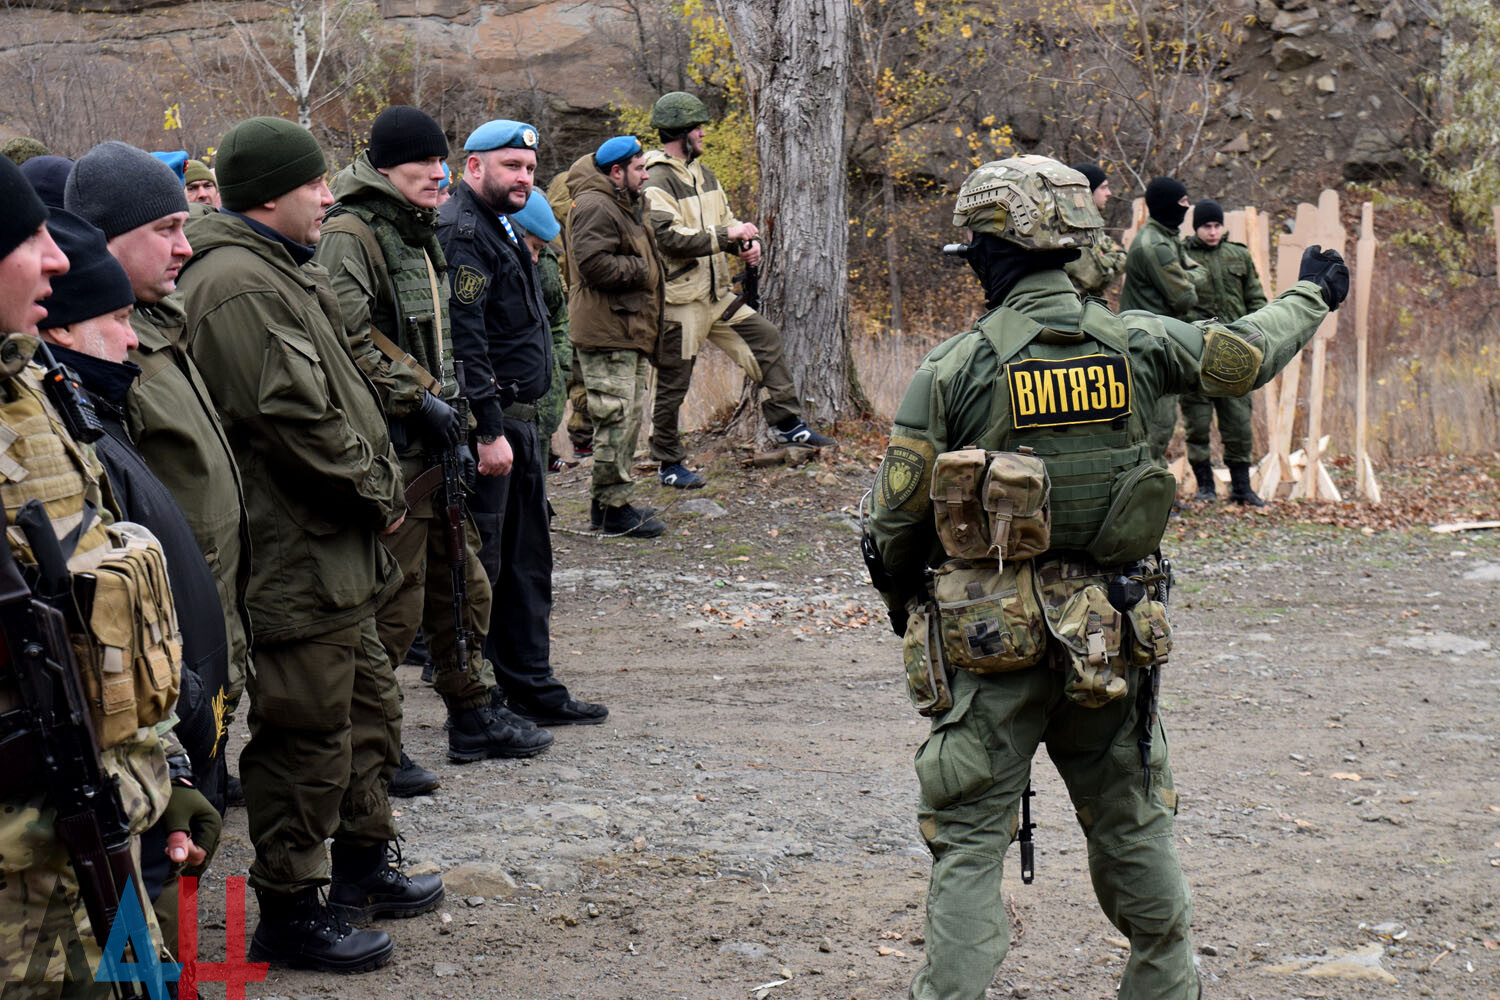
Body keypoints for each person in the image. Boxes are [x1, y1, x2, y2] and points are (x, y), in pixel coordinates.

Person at [864, 155, 1348, 1000]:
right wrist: (1312, 292)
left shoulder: (952, 370)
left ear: (990, 254)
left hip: (991, 652)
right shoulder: (1138, 343)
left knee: (969, 847)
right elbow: (1242, 357)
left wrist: (912, 606)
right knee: (1134, 829)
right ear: (1073, 245)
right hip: (1112, 644)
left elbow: (894, 529)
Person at [176, 116, 443, 972]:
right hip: (296, 553)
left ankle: (361, 866)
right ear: (268, 195)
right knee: (305, 732)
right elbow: (294, 418)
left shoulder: (278, 269)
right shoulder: (238, 285)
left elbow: (340, 382)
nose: (329, 197)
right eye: (314, 185)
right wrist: (380, 492)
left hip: (335, 546)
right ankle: (291, 908)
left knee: (368, 709)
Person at [0, 153, 194, 994]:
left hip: (88, 833)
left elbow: (92, 621)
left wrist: (165, 773)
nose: (53, 257)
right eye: (29, 237)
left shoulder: (29, 392)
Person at [317, 105, 551, 771]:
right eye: (426, 163)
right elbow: (348, 335)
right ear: (389, 166)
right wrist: (415, 398)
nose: (438, 174)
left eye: (442, 163)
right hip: (394, 447)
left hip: (438, 445)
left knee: (462, 584)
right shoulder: (352, 233)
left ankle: (473, 715)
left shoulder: (418, 233)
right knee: (396, 604)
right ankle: (370, 751)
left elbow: (450, 339)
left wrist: (460, 417)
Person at [35, 209, 225, 954]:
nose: (132, 336)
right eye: (115, 318)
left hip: (178, 726)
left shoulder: (91, 414)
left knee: (182, 921)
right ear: (61, 333)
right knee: (146, 938)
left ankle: (207, 969)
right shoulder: (74, 430)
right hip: (133, 752)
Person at [65, 141, 253, 804]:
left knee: (199, 818)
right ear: (106, 241)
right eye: (165, 230)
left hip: (205, 637)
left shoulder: (160, 326)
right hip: (160, 665)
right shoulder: (96, 350)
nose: (185, 245)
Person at [439, 119, 609, 728]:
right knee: (485, 571)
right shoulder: (462, 231)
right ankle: (481, 703)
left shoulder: (504, 225)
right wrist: (487, 431)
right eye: (511, 166)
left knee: (528, 563)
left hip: (523, 425)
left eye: (530, 169)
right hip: (495, 428)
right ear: (474, 166)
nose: (524, 177)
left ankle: (531, 684)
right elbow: (467, 342)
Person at [642, 91, 835, 489]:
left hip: (716, 296)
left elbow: (726, 220)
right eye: (697, 128)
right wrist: (724, 235)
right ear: (680, 132)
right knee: (672, 385)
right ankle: (667, 464)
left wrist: (742, 241)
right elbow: (667, 238)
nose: (702, 134)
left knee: (764, 338)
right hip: (680, 303)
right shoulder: (655, 179)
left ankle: (787, 424)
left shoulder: (705, 175)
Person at [565, 135, 668, 537]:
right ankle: (609, 510)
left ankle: (614, 502)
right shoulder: (595, 204)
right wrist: (642, 269)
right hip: (607, 331)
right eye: (640, 168)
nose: (645, 175)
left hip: (625, 327)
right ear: (616, 171)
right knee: (615, 418)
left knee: (624, 418)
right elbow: (593, 263)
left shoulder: (622, 201)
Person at [1181, 199, 1269, 505]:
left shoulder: (1238, 255)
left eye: (1217, 226)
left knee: (1238, 423)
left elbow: (1256, 299)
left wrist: (1258, 339)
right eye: (1207, 226)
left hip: (1235, 353)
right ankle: (1205, 486)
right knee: (1197, 423)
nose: (1213, 231)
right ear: (1197, 228)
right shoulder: (1182, 256)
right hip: (1196, 354)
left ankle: (1242, 488)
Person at [1119, 176, 1204, 462]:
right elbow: (1185, 298)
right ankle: (1149, 498)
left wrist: (1187, 278)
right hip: (1149, 349)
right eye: (1182, 202)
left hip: (1159, 343)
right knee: (1156, 428)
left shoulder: (1166, 238)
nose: (1187, 206)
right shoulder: (1155, 245)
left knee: (1162, 426)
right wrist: (1191, 279)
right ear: (1168, 204)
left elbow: (1193, 278)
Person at [509, 189, 572, 472]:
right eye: (533, 247)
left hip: (544, 404)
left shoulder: (543, 260)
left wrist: (560, 368)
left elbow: (557, 317)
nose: (536, 257)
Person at [1063, 162, 1127, 298]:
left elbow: (1123, 256)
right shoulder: (1072, 229)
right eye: (1103, 188)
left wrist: (1105, 260)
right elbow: (1097, 278)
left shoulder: (1092, 226)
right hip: (1075, 311)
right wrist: (1110, 260)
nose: (1109, 193)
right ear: (1086, 192)